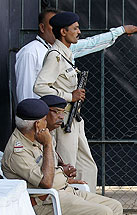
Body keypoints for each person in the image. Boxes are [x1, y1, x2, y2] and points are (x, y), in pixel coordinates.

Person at [1, 98, 122, 215]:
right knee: (103, 214)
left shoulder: (34, 138)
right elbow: (46, 183)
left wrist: (66, 177)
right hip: (44, 202)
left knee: (115, 207)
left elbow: (51, 170)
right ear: (37, 124)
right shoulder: (18, 151)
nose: (47, 122)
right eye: (44, 119)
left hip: (64, 191)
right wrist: (49, 143)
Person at [33, 11, 120, 193]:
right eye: (75, 28)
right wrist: (68, 95)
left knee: (88, 168)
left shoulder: (66, 54)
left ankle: (88, 211)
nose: (79, 32)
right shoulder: (55, 56)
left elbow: (92, 44)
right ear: (63, 32)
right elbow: (40, 86)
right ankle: (70, 213)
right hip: (63, 120)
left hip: (74, 119)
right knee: (69, 169)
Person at [16, 7, 137, 103]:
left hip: (59, 114)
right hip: (41, 117)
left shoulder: (63, 49)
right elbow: (26, 91)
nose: (56, 30)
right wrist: (32, 120)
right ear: (42, 28)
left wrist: (120, 31)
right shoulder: (30, 52)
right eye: (53, 26)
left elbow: (91, 43)